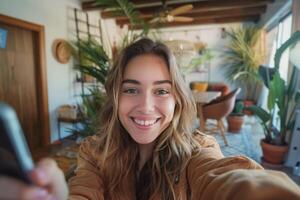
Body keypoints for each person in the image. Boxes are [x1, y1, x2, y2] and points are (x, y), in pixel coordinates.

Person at [1, 38, 300, 200]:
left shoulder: (197, 149)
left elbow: (229, 178)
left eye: (161, 91)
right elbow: (83, 190)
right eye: (131, 89)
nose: (145, 106)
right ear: (115, 97)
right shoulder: (93, 151)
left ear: (177, 100)